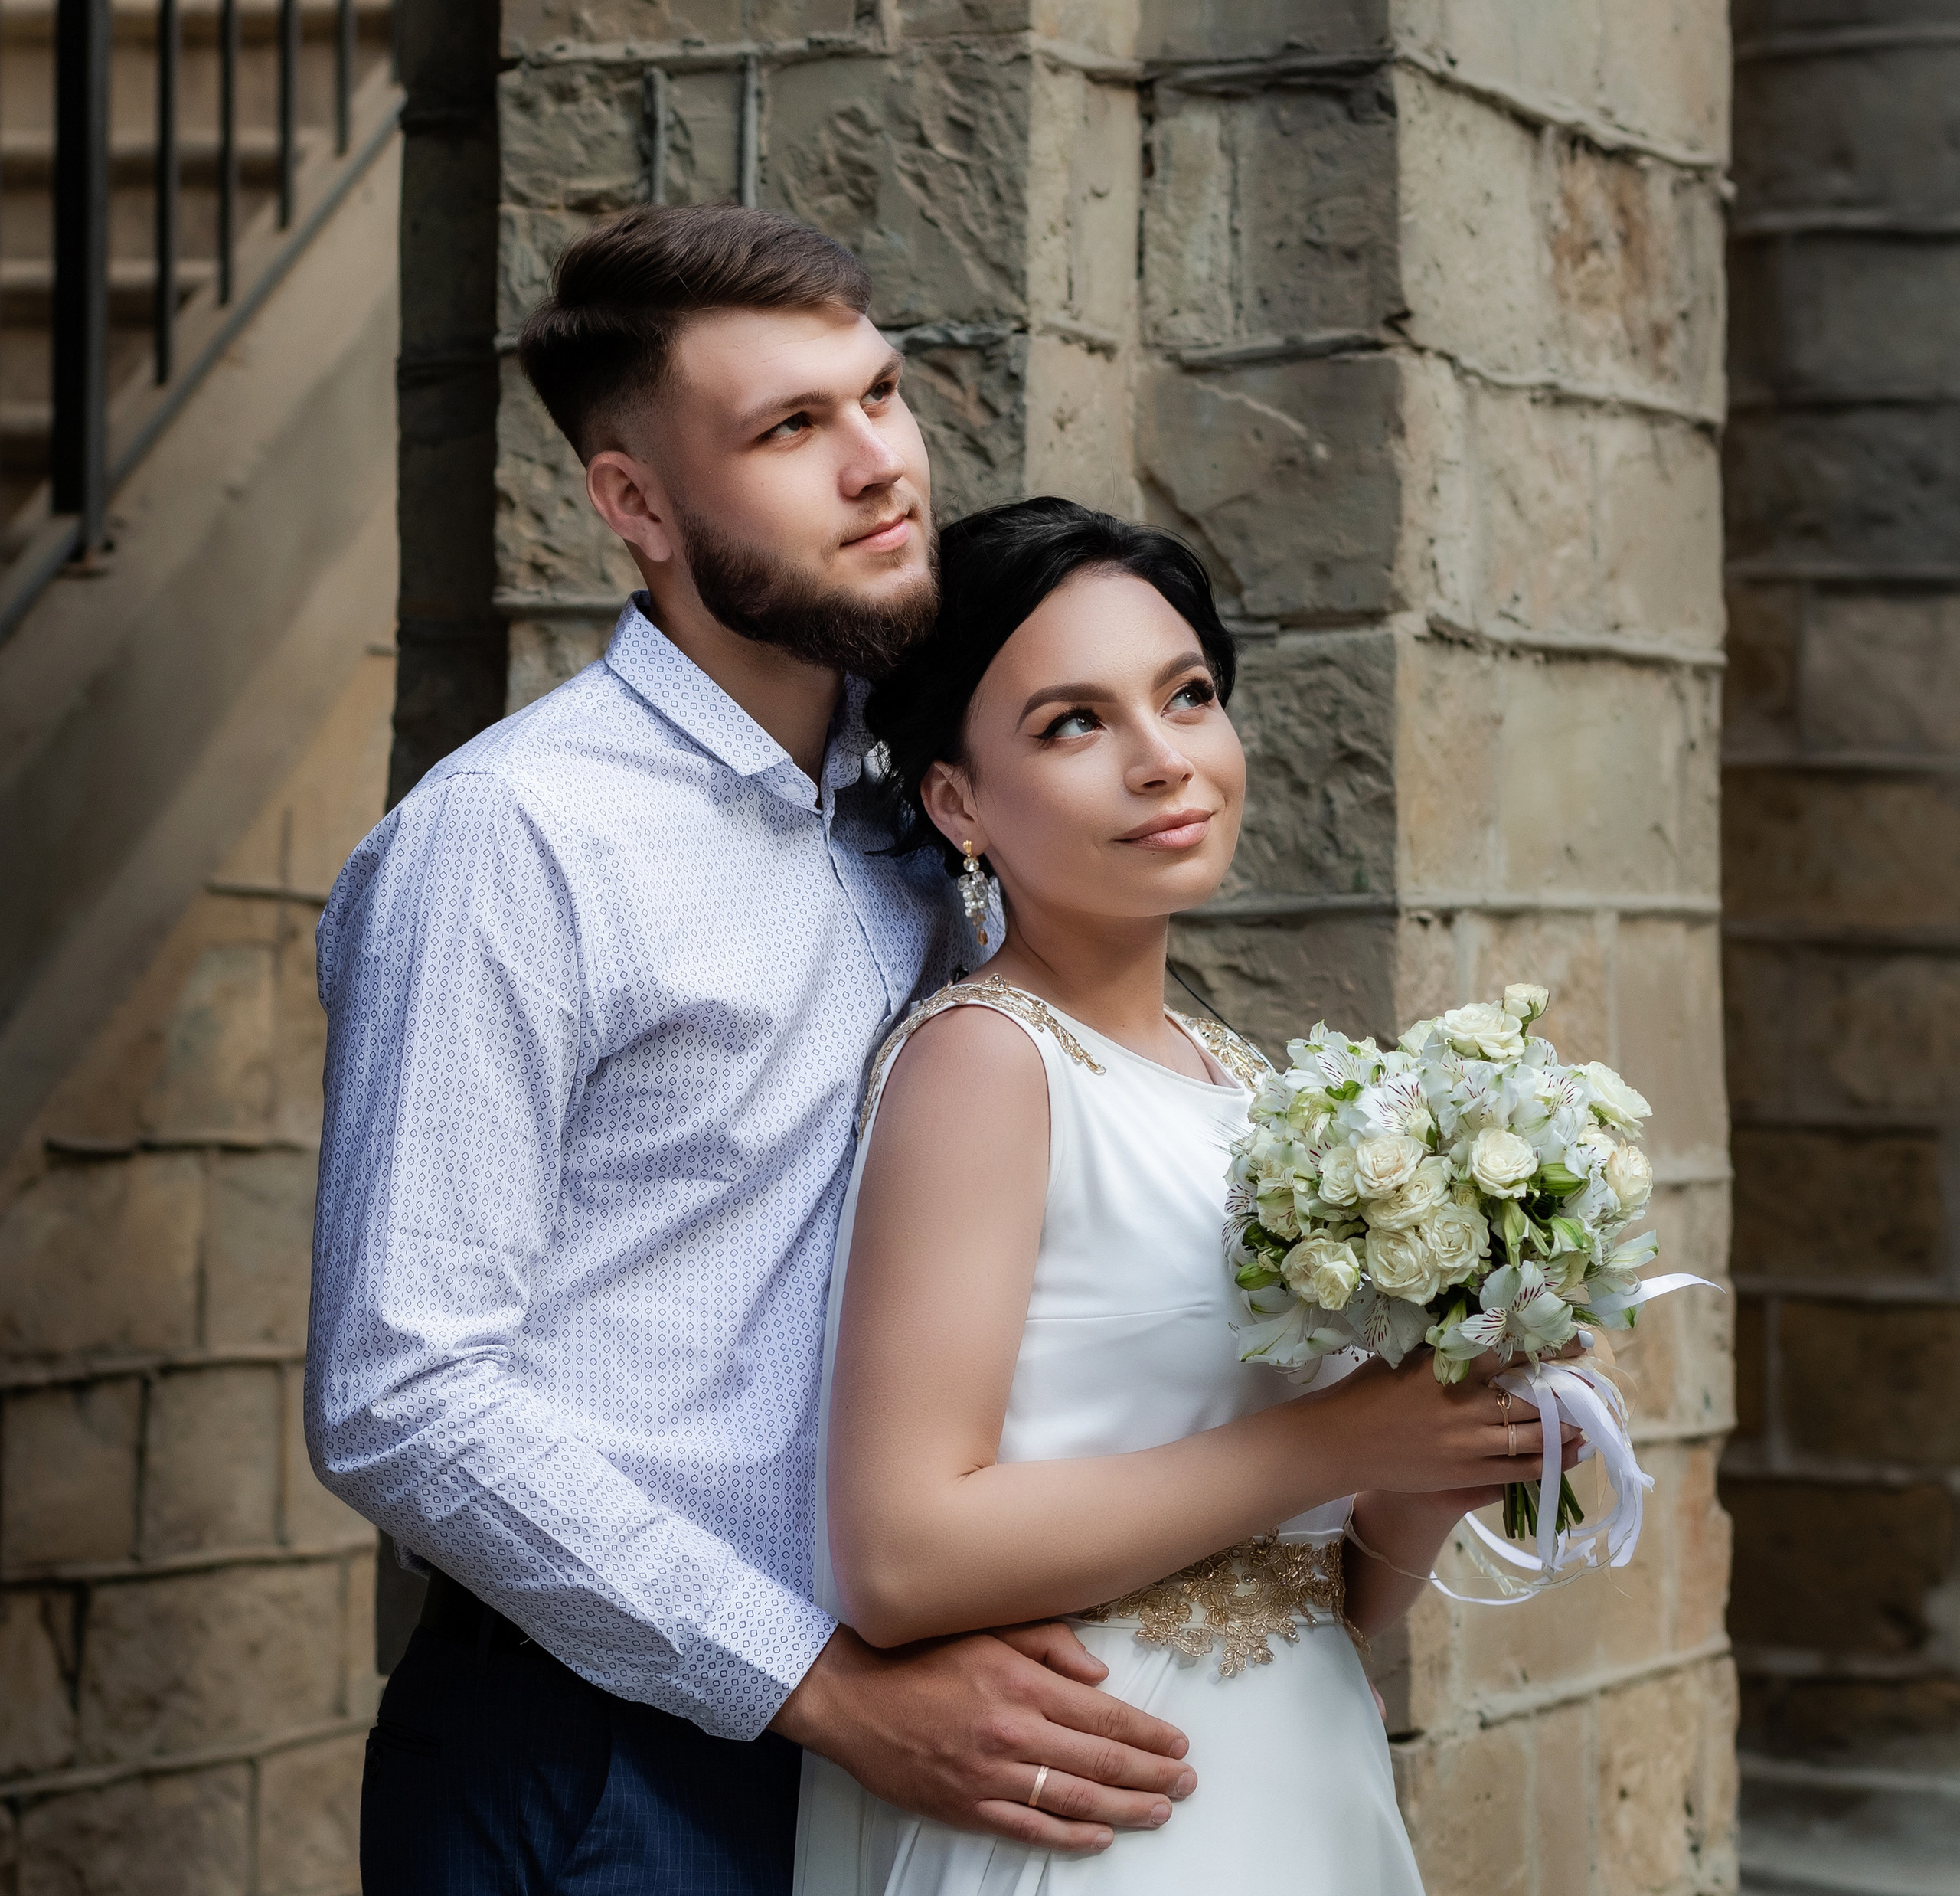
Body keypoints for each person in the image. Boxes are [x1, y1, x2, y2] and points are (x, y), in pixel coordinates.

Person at [305, 206, 1201, 1894]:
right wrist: (815, 1683)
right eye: (791, 428)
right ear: (632, 504)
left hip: (895, 1730)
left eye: (879, 395)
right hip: (602, 1754)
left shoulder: (929, 804)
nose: (878, 464)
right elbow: (401, 1395)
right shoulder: (514, 841)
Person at [795, 499, 1583, 1892]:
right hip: (1100, 1801)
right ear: (956, 799)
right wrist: (1351, 1433)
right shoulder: (989, 1065)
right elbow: (901, 1556)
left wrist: (1449, 1450)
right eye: (1074, 724)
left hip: (1300, 1776)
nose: (1167, 760)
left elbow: (1328, 1594)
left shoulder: (1248, 1082)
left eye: (1189, 697)